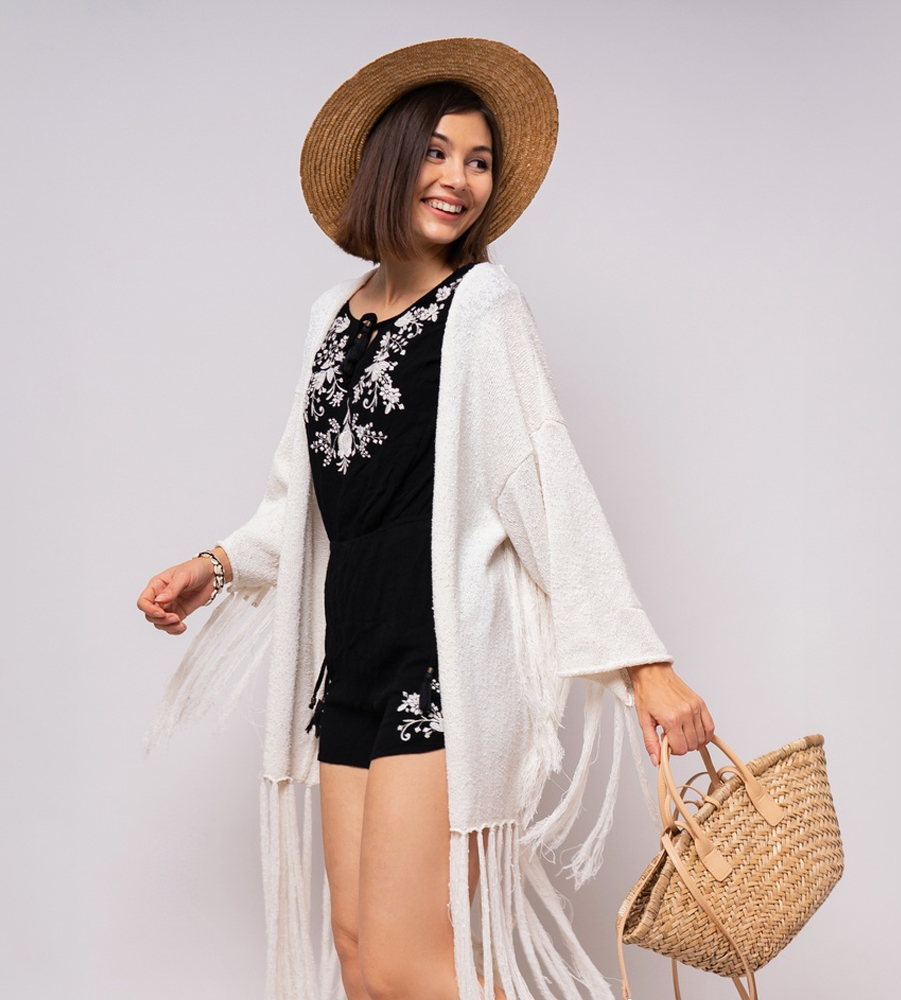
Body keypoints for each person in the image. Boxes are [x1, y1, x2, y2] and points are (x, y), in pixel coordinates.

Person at [138, 38, 714, 1000]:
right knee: (363, 960)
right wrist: (216, 564)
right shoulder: (332, 317)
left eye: (478, 161)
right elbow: (304, 501)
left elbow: (547, 486)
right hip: (350, 663)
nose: (459, 179)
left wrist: (643, 668)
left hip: (441, 664)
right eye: (438, 153)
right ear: (389, 163)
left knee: (416, 967)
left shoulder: (481, 306)